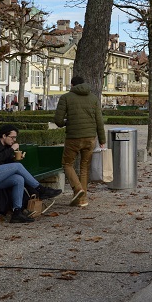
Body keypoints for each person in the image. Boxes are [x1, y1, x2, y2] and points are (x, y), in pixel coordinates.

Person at [54, 76, 106, 208]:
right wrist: (102, 140)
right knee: (84, 168)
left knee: (67, 164)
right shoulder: (93, 98)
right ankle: (82, 200)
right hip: (90, 138)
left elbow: (58, 121)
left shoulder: (66, 97)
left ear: (72, 85)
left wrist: (66, 122)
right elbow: (99, 121)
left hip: (73, 138)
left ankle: (78, 189)